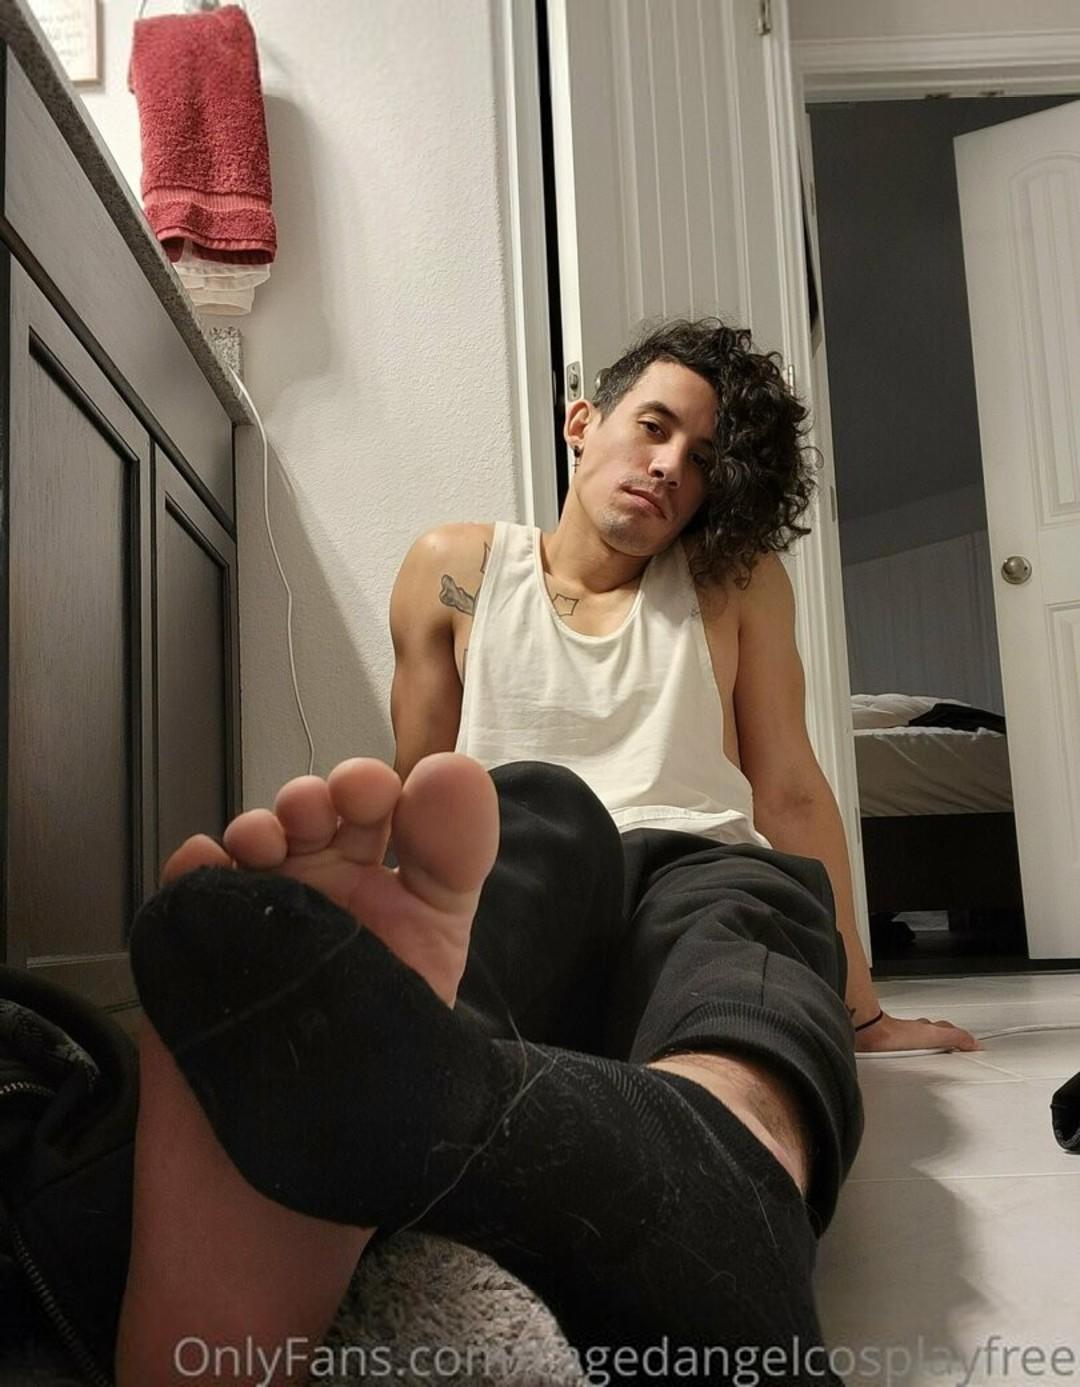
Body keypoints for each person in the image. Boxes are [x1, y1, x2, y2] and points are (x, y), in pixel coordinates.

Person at [116, 319, 978, 1387]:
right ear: (583, 422)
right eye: (653, 427)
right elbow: (424, 789)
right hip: (526, 857)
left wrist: (861, 1009)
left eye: (702, 459)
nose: (670, 466)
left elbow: (791, 790)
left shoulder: (735, 580)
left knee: (745, 931)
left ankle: (715, 1157)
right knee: (527, 810)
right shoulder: (455, 568)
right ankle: (349, 1074)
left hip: (698, 862)